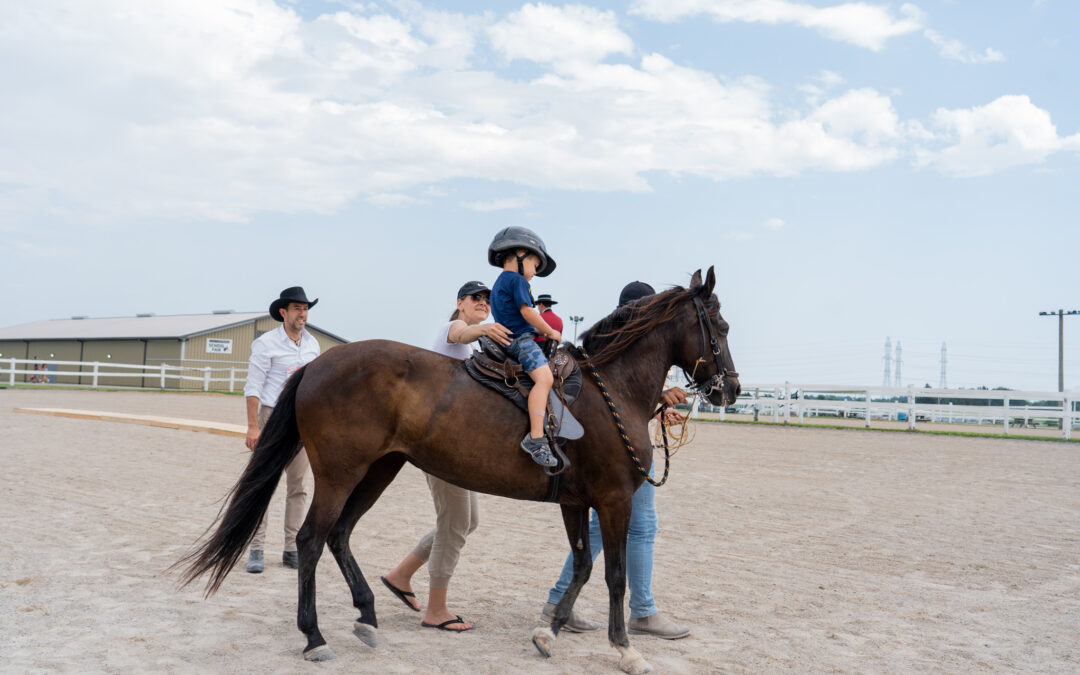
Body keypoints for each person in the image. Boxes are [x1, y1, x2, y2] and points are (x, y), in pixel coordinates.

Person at [540, 280, 692, 639]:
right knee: (637, 526)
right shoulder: (622, 345)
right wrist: (658, 399)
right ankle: (641, 611)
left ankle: (561, 599)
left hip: (624, 445)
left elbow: (626, 400)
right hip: (620, 452)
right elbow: (613, 398)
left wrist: (657, 408)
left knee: (610, 526)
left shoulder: (621, 343)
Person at [380, 281, 512, 632]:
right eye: (476, 299)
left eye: (487, 300)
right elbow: (460, 334)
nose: (483, 303)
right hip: (438, 445)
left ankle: (400, 575)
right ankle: (436, 609)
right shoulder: (452, 330)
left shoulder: (473, 349)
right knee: (454, 523)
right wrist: (482, 330)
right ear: (460, 303)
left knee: (468, 521)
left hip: (457, 446)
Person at [243, 287, 321, 573]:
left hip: (301, 420)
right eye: (297, 308)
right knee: (263, 483)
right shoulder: (266, 344)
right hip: (272, 417)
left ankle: (291, 548)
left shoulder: (313, 345)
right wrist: (253, 426)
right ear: (283, 312)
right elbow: (253, 387)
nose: (303, 314)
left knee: (299, 486)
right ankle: (257, 548)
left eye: (305, 308)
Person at [487, 226, 561, 468]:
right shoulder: (517, 280)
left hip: (507, 340)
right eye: (535, 265)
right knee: (545, 379)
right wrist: (549, 331)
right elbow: (527, 311)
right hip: (521, 340)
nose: (534, 273)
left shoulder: (499, 282)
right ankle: (537, 438)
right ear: (521, 254)